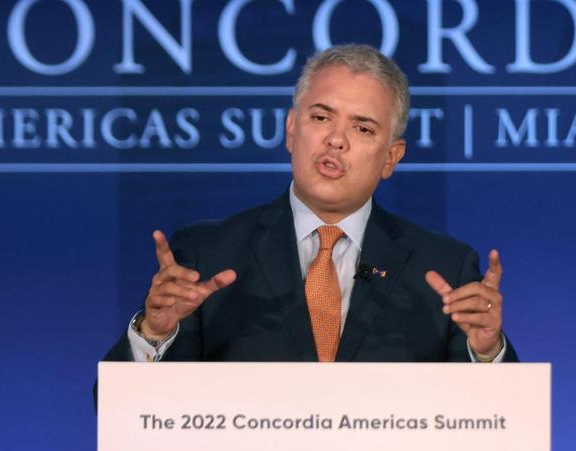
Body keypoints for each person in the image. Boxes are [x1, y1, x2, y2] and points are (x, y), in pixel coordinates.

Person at [102, 44, 513, 363]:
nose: (336, 139)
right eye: (320, 118)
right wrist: (154, 333)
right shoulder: (206, 255)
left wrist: (486, 350)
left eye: (363, 127)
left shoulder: (444, 269)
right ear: (291, 129)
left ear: (391, 157)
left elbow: (498, 429)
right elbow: (122, 413)